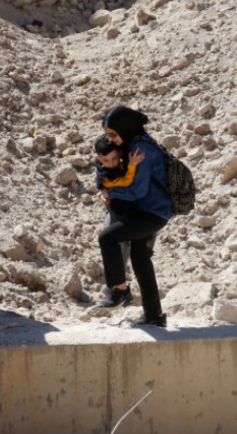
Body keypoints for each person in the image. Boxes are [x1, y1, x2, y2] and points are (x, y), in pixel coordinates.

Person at [94, 106, 172, 327]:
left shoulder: (140, 149)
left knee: (107, 238)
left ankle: (120, 290)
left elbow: (137, 190)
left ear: (123, 128)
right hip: (146, 211)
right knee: (140, 259)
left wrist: (110, 192)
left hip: (152, 213)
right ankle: (154, 315)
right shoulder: (132, 141)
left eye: (112, 135)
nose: (112, 140)